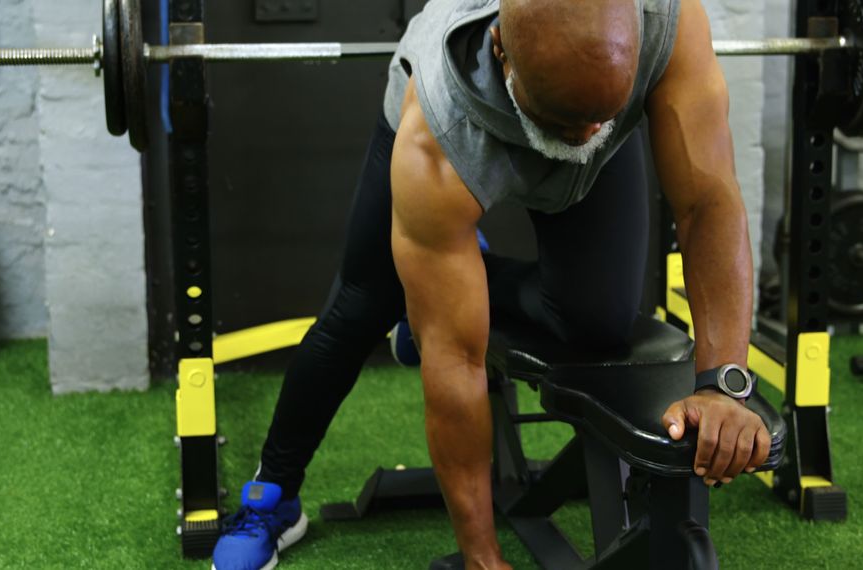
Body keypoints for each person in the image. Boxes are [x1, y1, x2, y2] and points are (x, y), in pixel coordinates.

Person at [211, 0, 771, 568]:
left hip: (590, 112)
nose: (581, 137)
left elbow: (708, 201)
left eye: (600, 117)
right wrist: (481, 556)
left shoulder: (669, 23)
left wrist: (724, 384)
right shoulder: (436, 129)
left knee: (597, 321)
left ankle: (449, 279)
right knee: (365, 300)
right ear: (502, 50)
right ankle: (275, 495)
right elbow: (456, 363)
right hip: (470, 131)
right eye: (566, 124)